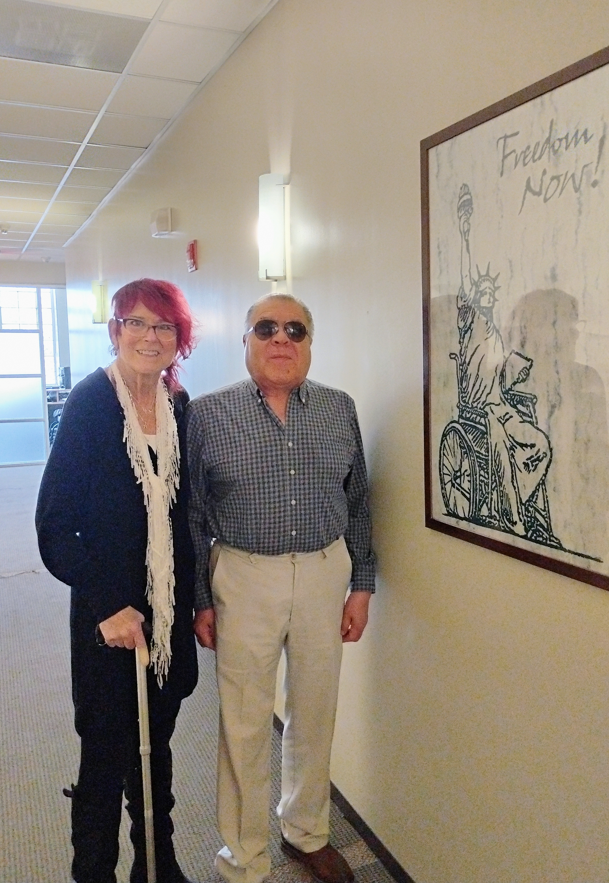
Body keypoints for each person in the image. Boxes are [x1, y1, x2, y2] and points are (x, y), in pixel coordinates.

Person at [187, 293, 375, 883]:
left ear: (310, 344)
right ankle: (243, 856)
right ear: (244, 341)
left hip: (325, 571)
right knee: (245, 723)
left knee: (314, 711)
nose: (281, 338)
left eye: (296, 329)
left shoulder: (339, 409)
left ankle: (306, 831)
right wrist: (200, 598)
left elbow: (361, 500)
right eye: (265, 327)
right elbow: (191, 513)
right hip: (243, 576)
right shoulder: (209, 415)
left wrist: (361, 584)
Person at [35, 279, 199, 883]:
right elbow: (55, 528)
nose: (150, 337)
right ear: (115, 330)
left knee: (156, 748)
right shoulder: (90, 404)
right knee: (105, 753)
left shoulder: (180, 406)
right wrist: (109, 606)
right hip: (110, 619)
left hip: (168, 612)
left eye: (164, 327)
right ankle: (94, 870)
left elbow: (186, 518)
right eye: (137, 323)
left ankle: (158, 862)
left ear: (178, 340)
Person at [455, 183, 552, 537]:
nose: (489, 296)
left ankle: (522, 505)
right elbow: (465, 278)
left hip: (501, 406)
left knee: (540, 444)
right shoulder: (471, 322)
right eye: (484, 292)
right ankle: (512, 520)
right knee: (500, 446)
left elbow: (504, 376)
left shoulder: (496, 332)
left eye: (492, 293)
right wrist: (465, 231)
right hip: (478, 409)